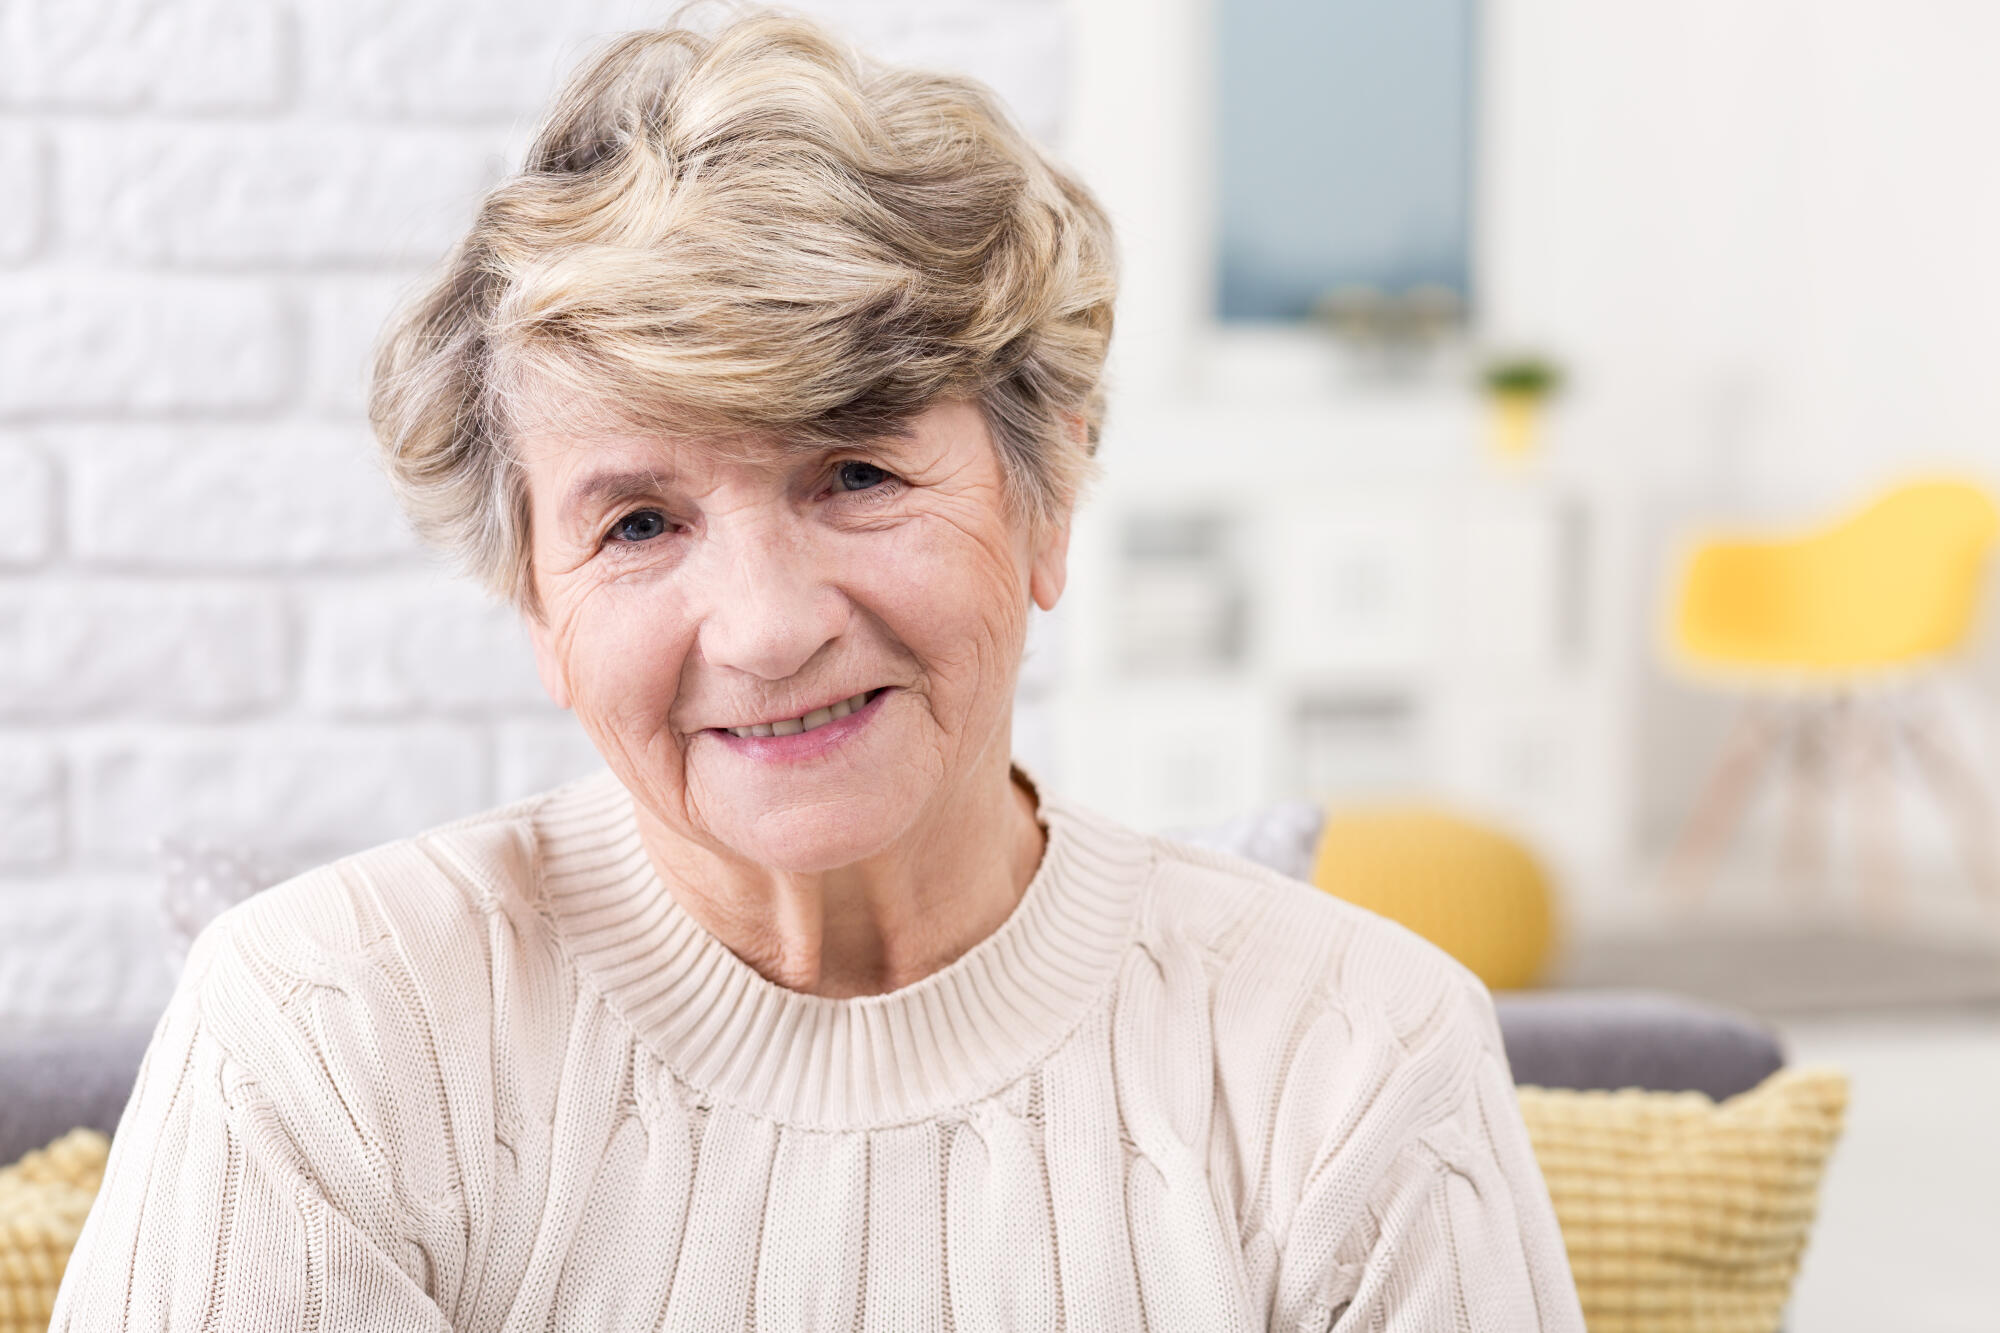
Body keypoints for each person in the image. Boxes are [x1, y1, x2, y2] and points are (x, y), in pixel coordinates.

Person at [52, 12, 1585, 1330]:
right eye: (641, 520)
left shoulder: (1362, 1058)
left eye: (855, 472)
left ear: (1046, 499)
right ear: (539, 605)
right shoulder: (320, 1030)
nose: (767, 627)